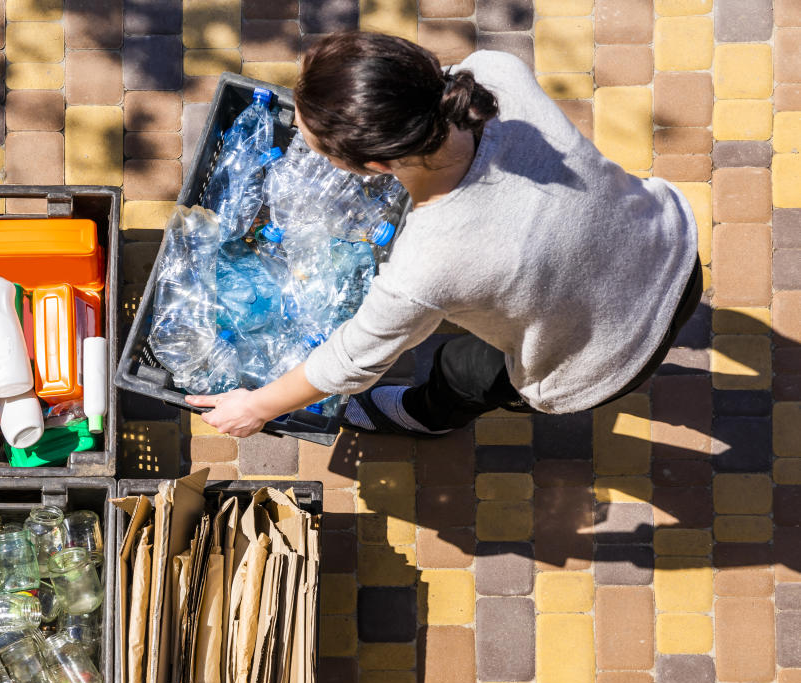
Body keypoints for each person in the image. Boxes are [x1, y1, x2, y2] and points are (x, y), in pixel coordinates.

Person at [185, 32, 700, 438]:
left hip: (605, 358)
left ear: (374, 164)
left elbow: (351, 362)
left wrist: (253, 406)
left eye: (315, 144)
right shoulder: (496, 75)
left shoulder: (428, 263)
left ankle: (426, 418)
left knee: (463, 371)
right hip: (669, 246)